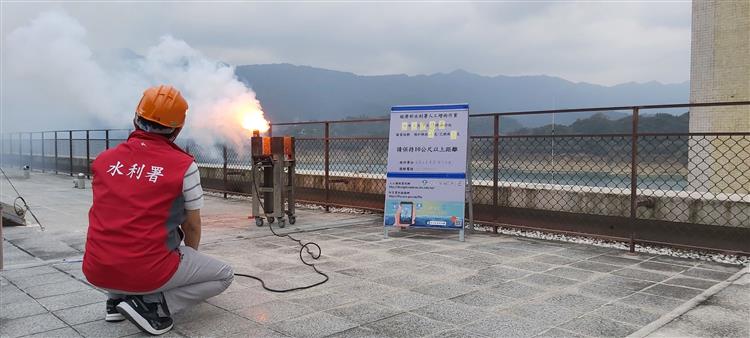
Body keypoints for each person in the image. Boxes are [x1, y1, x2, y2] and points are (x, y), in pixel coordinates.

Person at [83, 85, 234, 335]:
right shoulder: (183, 167)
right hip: (147, 270)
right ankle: (152, 307)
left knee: (121, 237)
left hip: (96, 268)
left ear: (136, 118)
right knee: (223, 275)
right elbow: (192, 225)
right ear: (177, 129)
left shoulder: (104, 160)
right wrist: (186, 260)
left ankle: (115, 300)